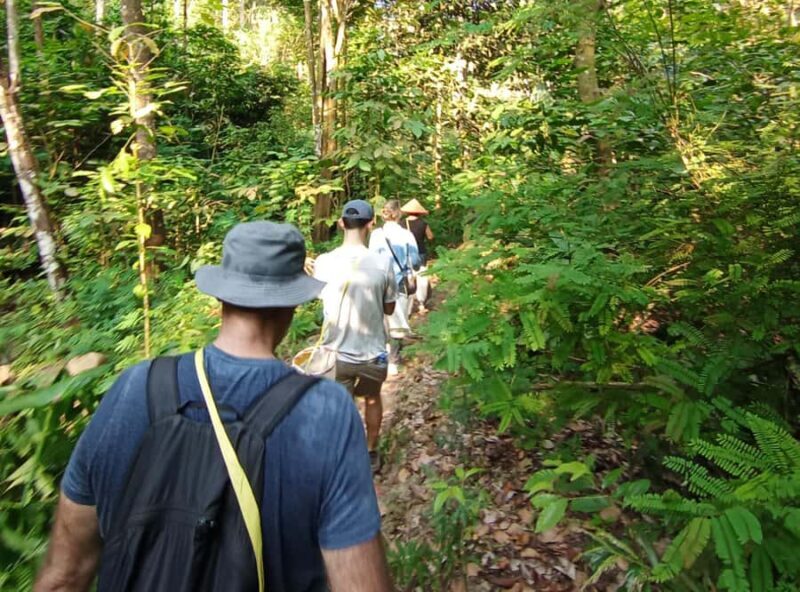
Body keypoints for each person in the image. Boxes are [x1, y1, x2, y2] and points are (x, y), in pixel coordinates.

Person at [34, 221, 393, 592]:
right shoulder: (327, 411)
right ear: (294, 305)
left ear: (221, 297)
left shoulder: (134, 388)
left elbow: (64, 576)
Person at [313, 200, 397, 473]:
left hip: (334, 356)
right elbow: (389, 308)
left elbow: (319, 301)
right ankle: (371, 452)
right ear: (371, 224)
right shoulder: (383, 263)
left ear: (340, 223)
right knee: (373, 398)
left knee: (340, 407)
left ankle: (344, 459)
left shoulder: (323, 263)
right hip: (373, 352)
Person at [368, 200, 421, 375]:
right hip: (399, 282)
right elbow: (415, 261)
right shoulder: (407, 235)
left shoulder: (376, 234)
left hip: (378, 281)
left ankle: (381, 355)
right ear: (399, 214)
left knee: (381, 319)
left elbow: (371, 259)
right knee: (398, 321)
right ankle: (393, 361)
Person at [401, 198, 434, 314]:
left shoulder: (401, 224)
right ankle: (421, 304)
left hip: (405, 253)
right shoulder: (423, 224)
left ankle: (408, 306)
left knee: (408, 277)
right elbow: (430, 237)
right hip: (420, 253)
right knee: (421, 277)